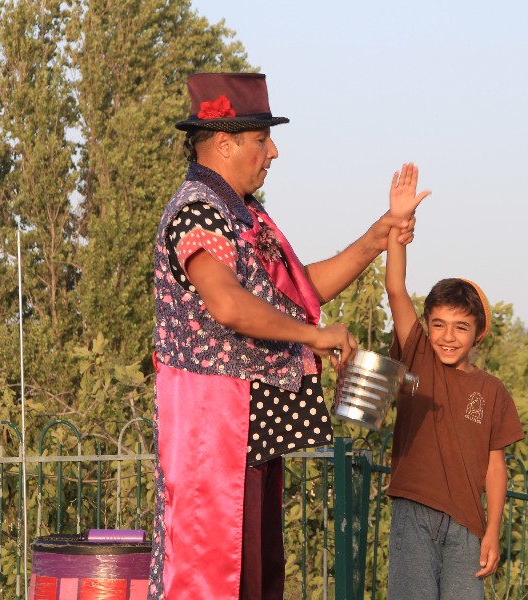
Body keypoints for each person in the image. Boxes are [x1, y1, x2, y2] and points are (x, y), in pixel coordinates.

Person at [149, 72, 416, 600]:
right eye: (261, 139)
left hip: (247, 419)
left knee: (258, 571)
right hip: (213, 419)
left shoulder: (241, 213)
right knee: (212, 573)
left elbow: (294, 292)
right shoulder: (196, 210)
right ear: (224, 143)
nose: (273, 152)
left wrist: (377, 238)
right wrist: (314, 337)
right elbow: (228, 303)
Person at [384, 164, 526, 599]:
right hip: (413, 514)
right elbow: (395, 287)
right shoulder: (417, 358)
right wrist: (397, 226)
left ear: (478, 333)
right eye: (439, 324)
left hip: (468, 526)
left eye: (460, 327)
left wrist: (493, 530)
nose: (448, 336)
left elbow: (494, 466)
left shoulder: (493, 391)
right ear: (427, 325)